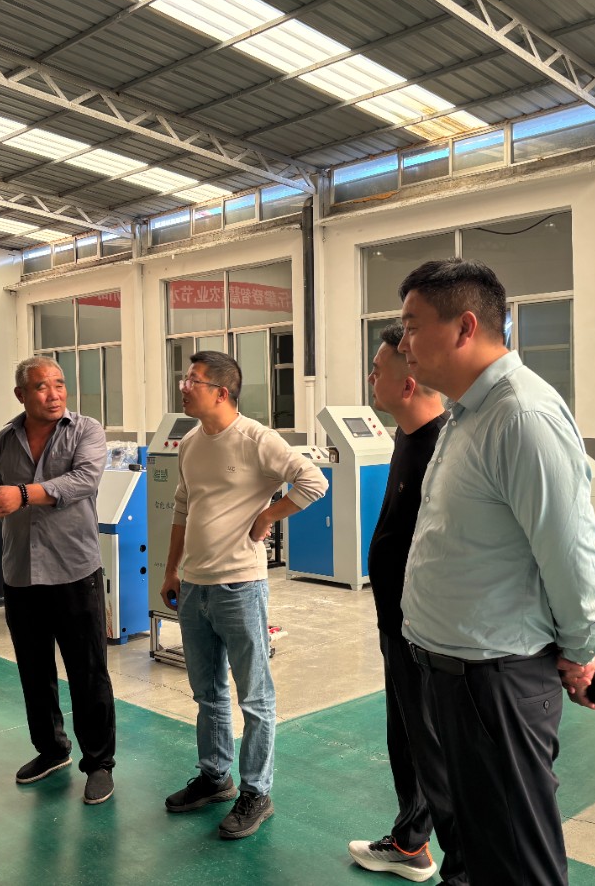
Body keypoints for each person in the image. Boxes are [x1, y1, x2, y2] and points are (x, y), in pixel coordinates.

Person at [397, 259, 595, 885]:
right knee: (484, 851)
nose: (403, 342)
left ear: (465, 327)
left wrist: (581, 651)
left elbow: (570, 552)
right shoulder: (469, 413)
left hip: (497, 682)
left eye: (412, 325)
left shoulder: (522, 418)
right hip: (456, 676)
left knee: (518, 863)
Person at [160, 350, 327, 839]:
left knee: (254, 695)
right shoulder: (191, 442)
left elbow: (313, 481)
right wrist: (171, 571)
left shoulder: (257, 439)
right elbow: (182, 509)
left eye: (193, 380)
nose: (184, 386)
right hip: (194, 586)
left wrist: (268, 515)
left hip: (240, 587)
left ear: (221, 392)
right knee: (207, 692)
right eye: (185, 378)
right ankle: (216, 777)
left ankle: (257, 791)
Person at [0, 357, 116, 805]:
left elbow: (84, 481)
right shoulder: (3, 440)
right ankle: (52, 749)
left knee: (87, 671)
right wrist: (2, 502)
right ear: (21, 394)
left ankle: (99, 763)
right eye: (41, 386)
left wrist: (21, 494)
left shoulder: (86, 431)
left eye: (59, 384)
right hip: (20, 572)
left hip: (74, 569)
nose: (53, 394)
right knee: (34, 671)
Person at [348, 324, 455, 884]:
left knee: (431, 745)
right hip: (397, 623)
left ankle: (451, 857)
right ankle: (411, 842)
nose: (370, 379)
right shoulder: (406, 438)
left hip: (426, 631)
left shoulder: (444, 448)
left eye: (377, 371)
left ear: (408, 383)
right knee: (407, 738)